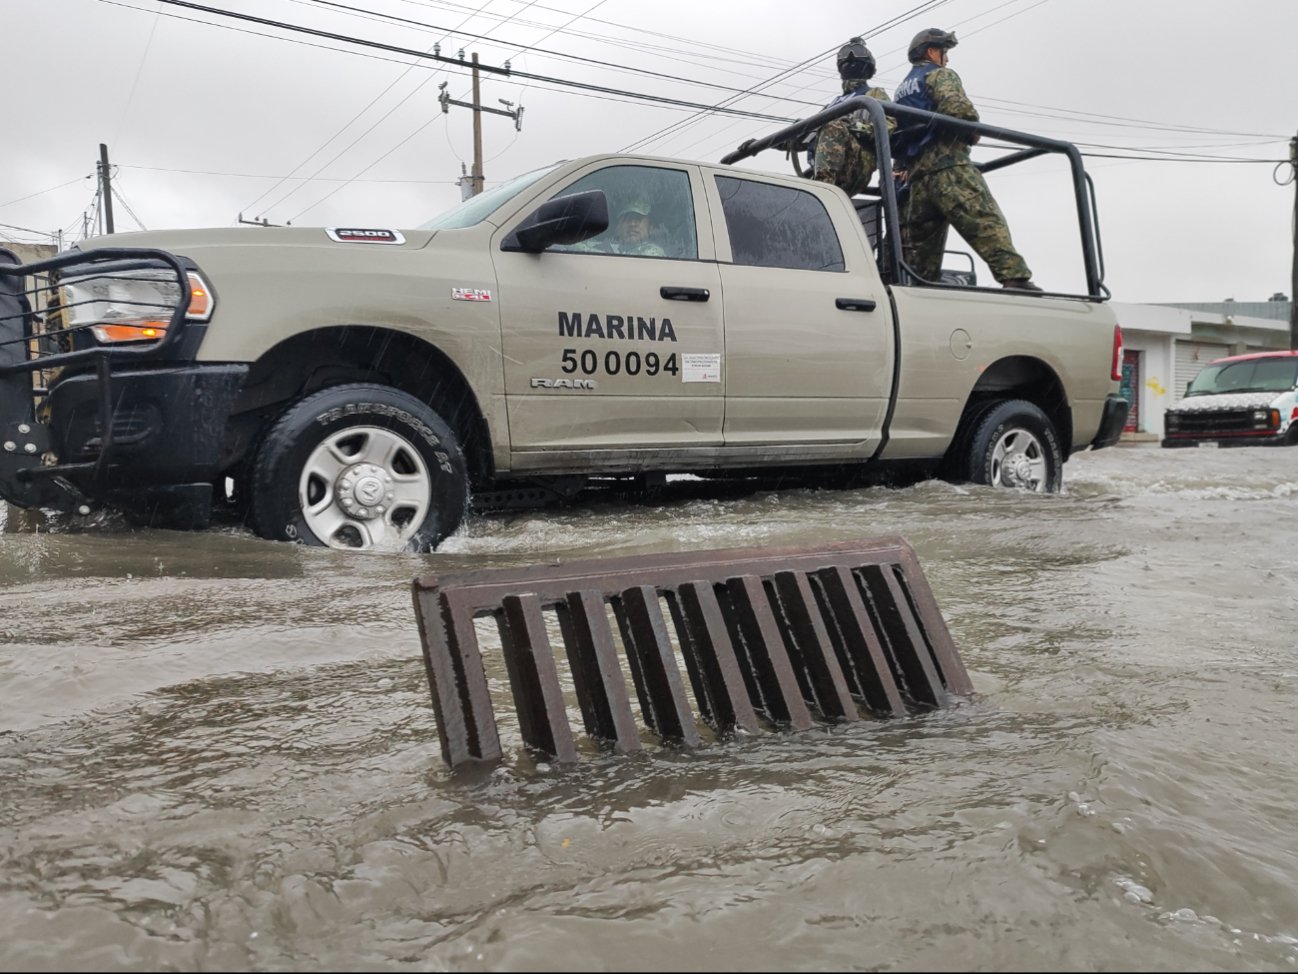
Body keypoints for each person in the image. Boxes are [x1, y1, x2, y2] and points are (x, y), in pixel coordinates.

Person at [891, 28, 1041, 291]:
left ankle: (913, 293)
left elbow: (896, 134)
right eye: (944, 52)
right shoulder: (940, 74)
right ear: (931, 52)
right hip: (949, 168)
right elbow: (959, 110)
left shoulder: (901, 91)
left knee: (916, 258)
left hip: (916, 181)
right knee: (984, 220)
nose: (946, 59)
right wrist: (971, 133)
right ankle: (1014, 278)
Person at [811, 37, 893, 197]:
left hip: (858, 163)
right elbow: (809, 132)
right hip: (828, 167)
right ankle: (819, 189)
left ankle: (822, 192)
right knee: (810, 127)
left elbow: (888, 125)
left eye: (857, 55)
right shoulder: (833, 104)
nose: (850, 59)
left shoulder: (874, 94)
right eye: (845, 58)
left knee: (833, 127)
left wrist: (854, 126)